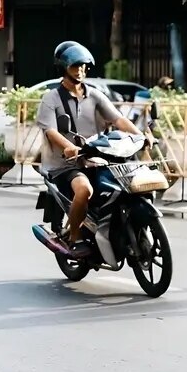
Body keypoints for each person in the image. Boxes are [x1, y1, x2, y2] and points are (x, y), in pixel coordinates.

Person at [37, 41, 148, 258]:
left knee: (127, 185)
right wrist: (69, 147)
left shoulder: (94, 94)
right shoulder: (51, 98)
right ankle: (75, 237)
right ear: (63, 68)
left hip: (97, 158)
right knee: (84, 190)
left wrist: (139, 136)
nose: (80, 70)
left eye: (83, 66)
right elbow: (50, 130)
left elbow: (118, 119)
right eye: (74, 66)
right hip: (65, 164)